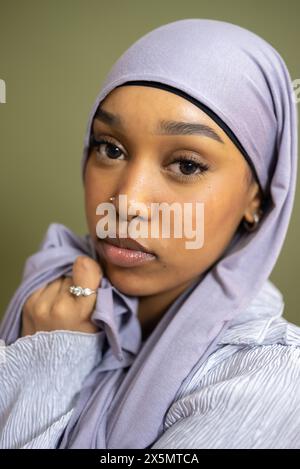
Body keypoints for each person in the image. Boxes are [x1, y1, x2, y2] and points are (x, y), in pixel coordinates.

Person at [0, 18, 299, 449]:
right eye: (111, 149)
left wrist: (48, 364)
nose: (127, 202)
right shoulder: (53, 303)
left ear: (258, 196)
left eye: (187, 165)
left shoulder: (269, 379)